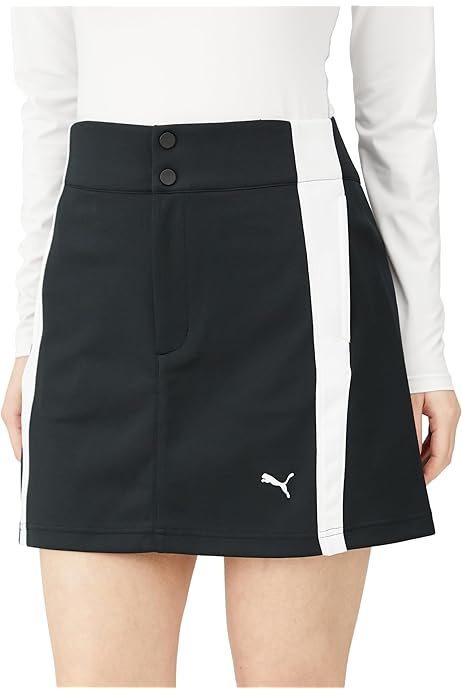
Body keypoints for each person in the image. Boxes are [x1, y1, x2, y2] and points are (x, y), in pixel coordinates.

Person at [2, 6, 459, 688]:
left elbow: (397, 115)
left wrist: (423, 349)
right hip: (98, 286)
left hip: (296, 278)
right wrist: (26, 332)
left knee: (292, 678)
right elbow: (49, 109)